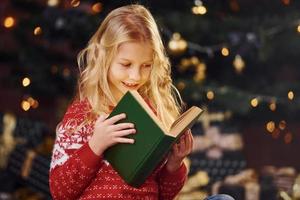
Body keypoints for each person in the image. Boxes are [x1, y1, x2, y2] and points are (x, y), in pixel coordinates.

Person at [49, 4, 234, 200]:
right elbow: (60, 192)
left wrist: (174, 164)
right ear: (104, 58)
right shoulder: (84, 114)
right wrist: (96, 145)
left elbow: (163, 195)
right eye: (126, 64)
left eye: (146, 66)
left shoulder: (152, 111)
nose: (135, 76)